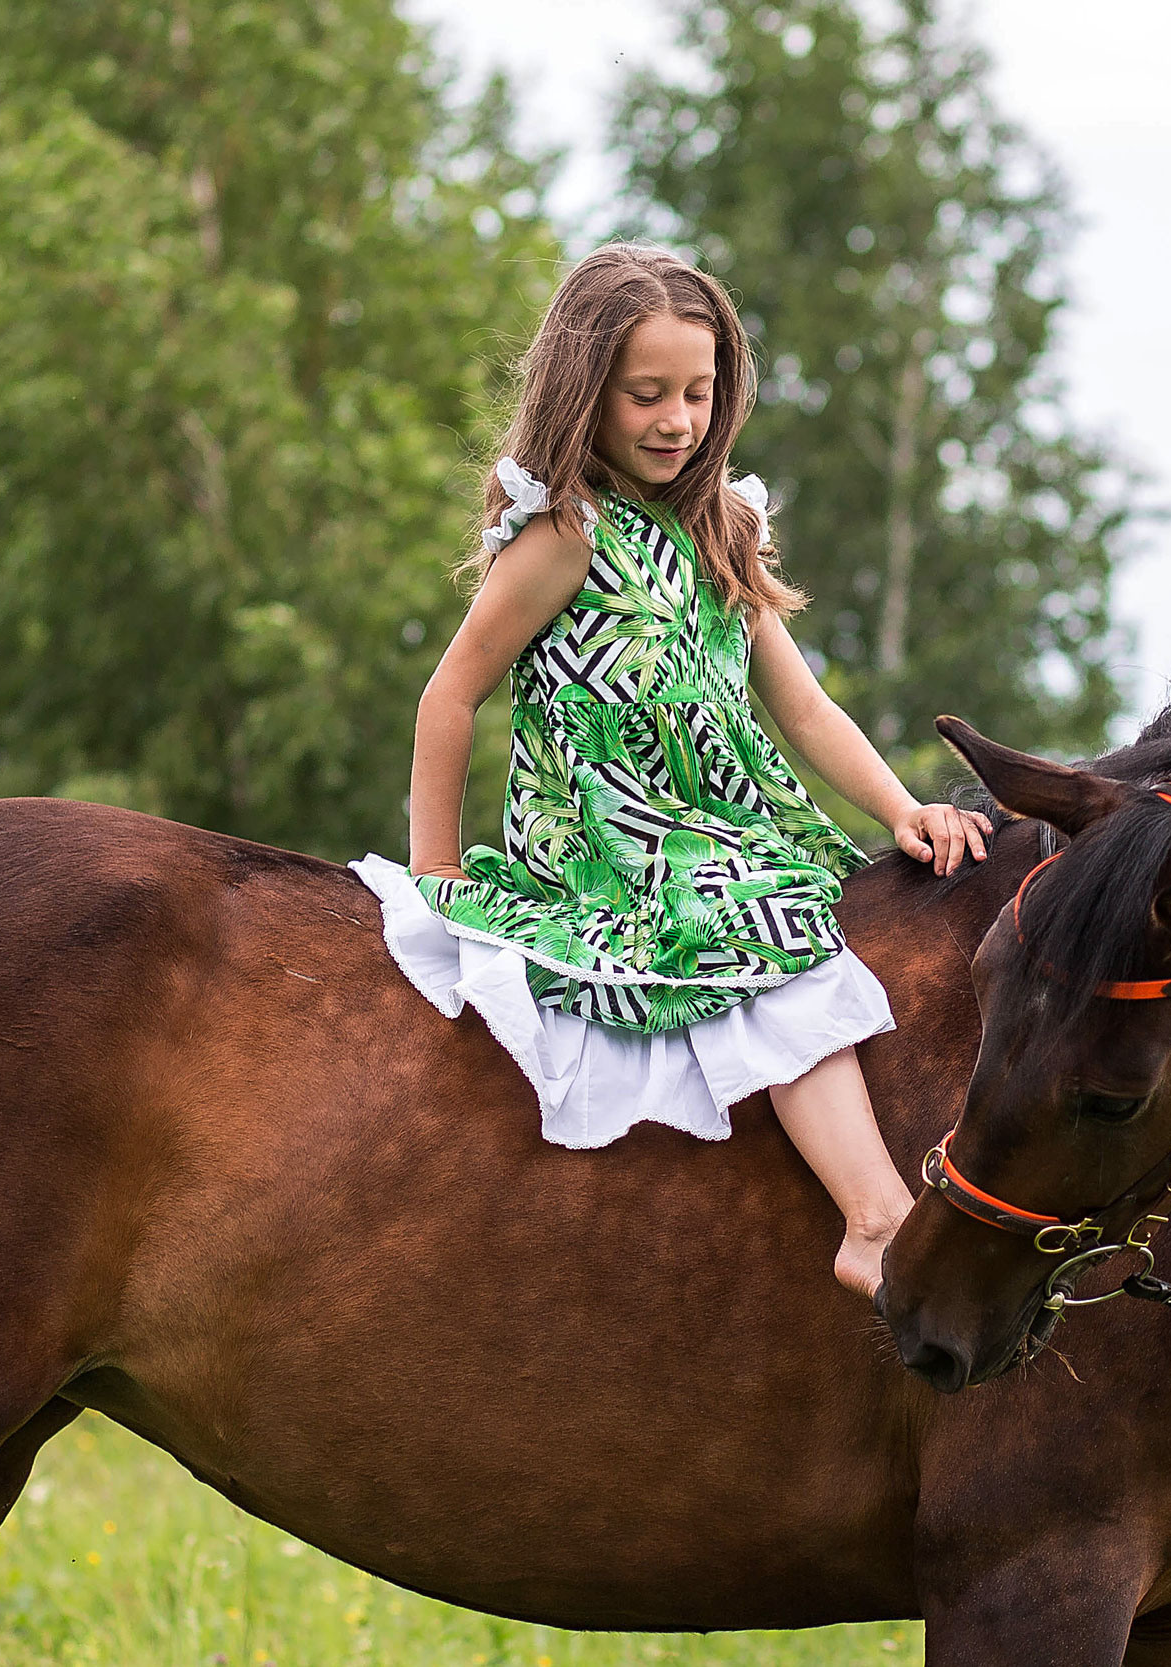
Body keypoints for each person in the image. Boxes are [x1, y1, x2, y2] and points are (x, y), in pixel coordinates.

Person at [350, 244, 991, 1299]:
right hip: (612, 835)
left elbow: (801, 705)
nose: (675, 420)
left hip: (731, 818)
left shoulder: (719, 525)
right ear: (583, 394)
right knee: (763, 929)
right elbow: (449, 694)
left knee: (855, 907)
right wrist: (437, 864)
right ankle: (875, 1217)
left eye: (697, 394)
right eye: (645, 395)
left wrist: (902, 804)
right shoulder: (565, 536)